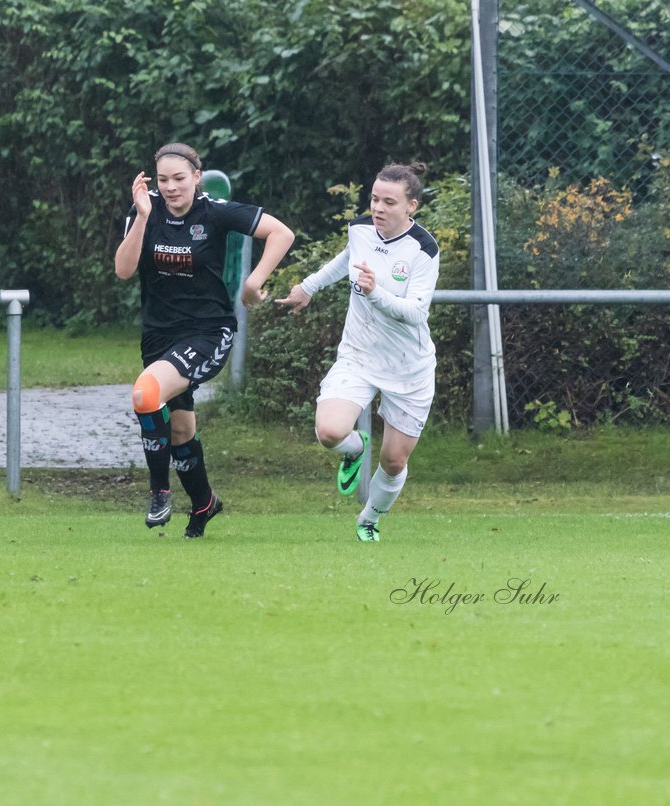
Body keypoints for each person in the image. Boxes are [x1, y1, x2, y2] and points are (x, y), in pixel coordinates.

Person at [115, 142, 294, 538]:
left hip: (209, 332)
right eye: (163, 180)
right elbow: (124, 270)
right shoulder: (144, 210)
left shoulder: (214, 211)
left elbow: (281, 233)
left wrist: (253, 282)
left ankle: (159, 493)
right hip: (158, 336)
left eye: (180, 179)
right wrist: (143, 216)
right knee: (179, 432)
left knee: (145, 394)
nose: (172, 188)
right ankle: (204, 504)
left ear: (197, 177)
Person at [275, 162, 439, 542]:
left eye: (389, 202)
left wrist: (375, 293)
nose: (378, 208)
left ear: (411, 205)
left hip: (408, 368)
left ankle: (370, 518)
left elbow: (416, 312)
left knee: (394, 461)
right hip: (359, 355)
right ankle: (353, 449)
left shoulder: (424, 250)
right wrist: (307, 287)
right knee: (330, 432)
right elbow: (345, 260)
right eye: (374, 199)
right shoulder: (362, 229)